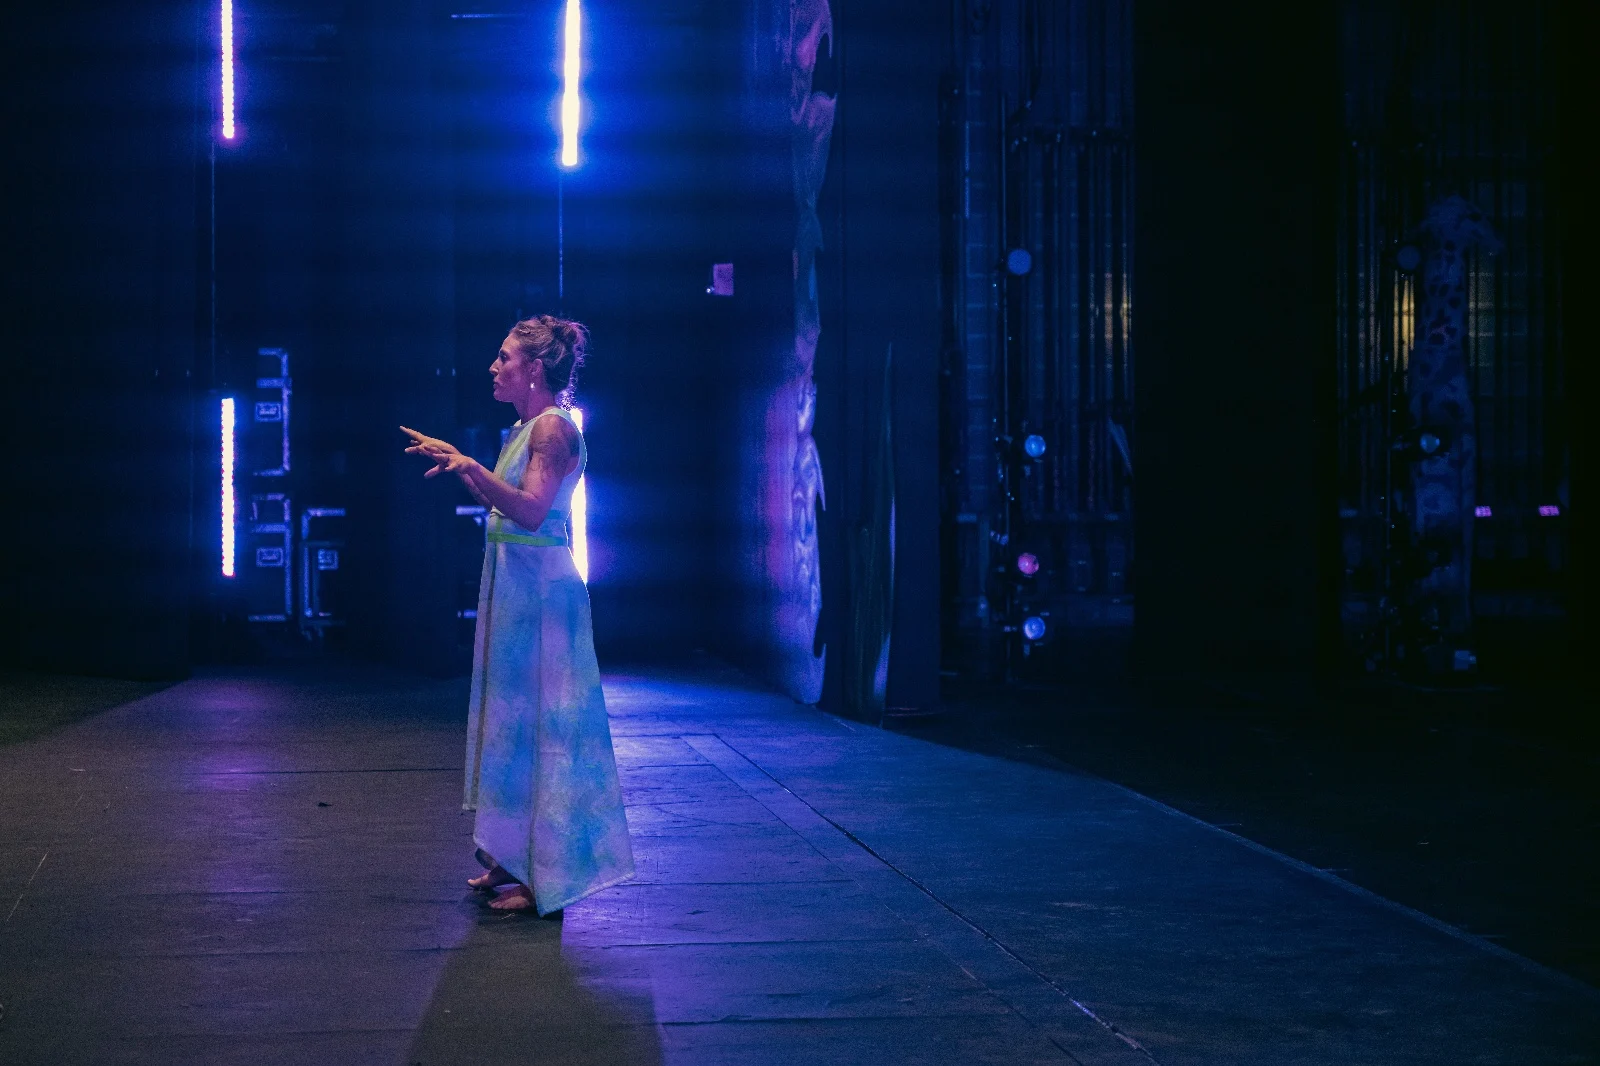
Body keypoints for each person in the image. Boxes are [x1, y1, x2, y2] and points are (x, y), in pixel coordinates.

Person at [402, 315, 634, 916]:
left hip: (542, 594)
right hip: (515, 587)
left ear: (533, 368)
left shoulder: (552, 428)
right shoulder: (525, 428)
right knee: (513, 726)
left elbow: (531, 512)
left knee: (544, 729)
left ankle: (546, 877)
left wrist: (470, 467)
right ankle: (512, 856)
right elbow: (504, 508)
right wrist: (461, 464)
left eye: (504, 357)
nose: (494, 366)